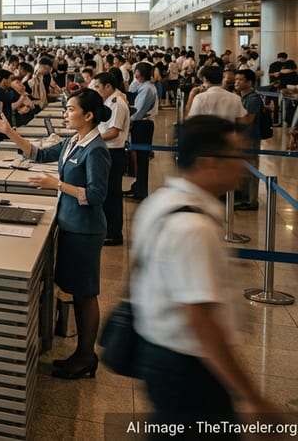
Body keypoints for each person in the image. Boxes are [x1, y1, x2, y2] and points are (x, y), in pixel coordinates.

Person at [131, 115, 281, 426]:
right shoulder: (194, 227)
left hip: (157, 353)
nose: (242, 164)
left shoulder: (160, 202)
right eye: (235, 156)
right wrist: (251, 396)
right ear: (207, 162)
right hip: (188, 367)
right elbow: (200, 321)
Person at [0, 88, 111, 379]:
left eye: (70, 109)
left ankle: (86, 355)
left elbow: (96, 195)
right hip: (67, 223)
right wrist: (9, 132)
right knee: (76, 291)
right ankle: (81, 354)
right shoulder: (73, 142)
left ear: (88, 115)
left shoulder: (96, 150)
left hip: (85, 229)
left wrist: (58, 185)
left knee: (85, 293)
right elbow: (38, 153)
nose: (66, 113)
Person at [94, 72, 131, 246]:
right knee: (107, 194)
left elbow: (113, 131)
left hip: (114, 153)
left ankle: (114, 233)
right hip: (107, 151)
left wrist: (92, 139)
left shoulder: (117, 104)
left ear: (108, 86)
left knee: (112, 195)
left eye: (98, 87)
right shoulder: (109, 102)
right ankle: (108, 229)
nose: (97, 90)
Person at [125, 62, 159, 201]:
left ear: (140, 73)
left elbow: (138, 112)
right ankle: (138, 186)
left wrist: (128, 120)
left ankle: (141, 190)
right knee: (139, 158)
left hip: (143, 124)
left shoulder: (147, 89)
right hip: (141, 123)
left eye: (135, 71)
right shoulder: (143, 86)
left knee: (141, 158)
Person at [233, 69, 265, 211]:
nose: (237, 82)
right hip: (241, 138)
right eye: (236, 79)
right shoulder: (241, 97)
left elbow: (248, 120)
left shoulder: (253, 99)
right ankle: (243, 197)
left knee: (251, 170)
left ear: (249, 82)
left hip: (250, 139)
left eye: (240, 79)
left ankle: (251, 201)